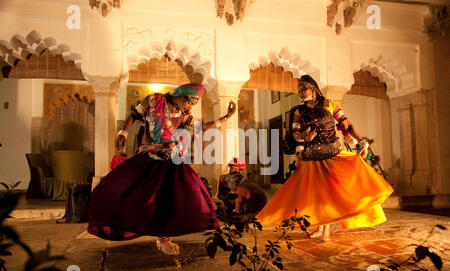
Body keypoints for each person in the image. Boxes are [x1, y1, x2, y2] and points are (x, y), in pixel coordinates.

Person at [87, 83, 237, 254]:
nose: (189, 107)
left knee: (180, 193)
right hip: (149, 155)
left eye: (193, 104)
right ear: (181, 95)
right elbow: (135, 114)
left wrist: (227, 116)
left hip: (170, 157)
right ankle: (117, 219)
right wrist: (123, 132)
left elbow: (200, 127)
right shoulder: (153, 100)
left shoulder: (184, 114)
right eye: (189, 102)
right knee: (129, 190)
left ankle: (164, 239)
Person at [256, 75, 393, 240]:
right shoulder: (299, 111)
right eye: (298, 90)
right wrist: (304, 137)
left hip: (332, 155)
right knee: (318, 195)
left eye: (303, 89)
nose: (300, 93)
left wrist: (362, 142)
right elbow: (295, 134)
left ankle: (325, 231)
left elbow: (346, 125)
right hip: (312, 159)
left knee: (333, 194)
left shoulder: (329, 105)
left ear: (313, 89)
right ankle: (323, 230)